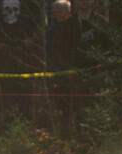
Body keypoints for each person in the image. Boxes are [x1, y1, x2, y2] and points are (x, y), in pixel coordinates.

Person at [47, 0, 79, 136]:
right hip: (55, 69)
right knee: (59, 103)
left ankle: (73, 132)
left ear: (67, 12)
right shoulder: (52, 28)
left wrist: (70, 67)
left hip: (71, 68)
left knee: (73, 103)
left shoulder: (74, 26)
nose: (55, 15)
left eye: (59, 12)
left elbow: (74, 48)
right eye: (54, 12)